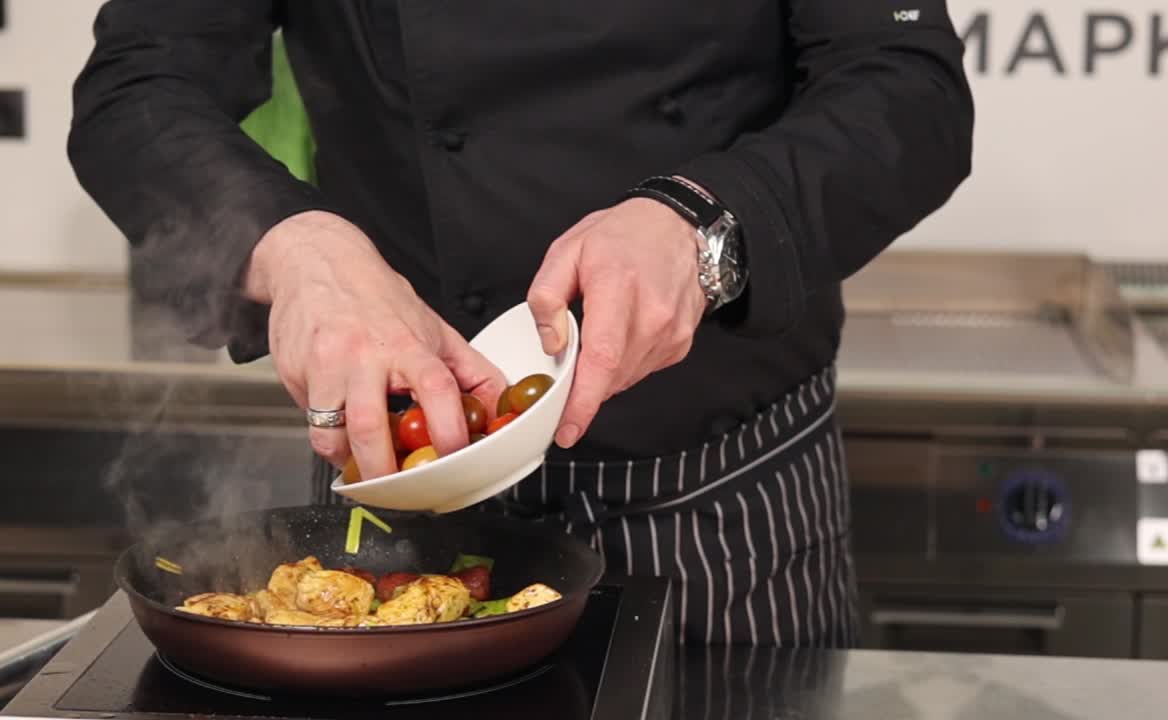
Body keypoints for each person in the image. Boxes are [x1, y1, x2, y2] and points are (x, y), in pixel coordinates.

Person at [68, 1, 974, 647]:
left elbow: (908, 87)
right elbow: (138, 84)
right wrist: (296, 248)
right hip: (404, 462)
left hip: (725, 489)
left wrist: (706, 217)